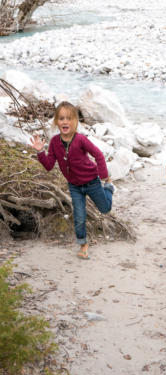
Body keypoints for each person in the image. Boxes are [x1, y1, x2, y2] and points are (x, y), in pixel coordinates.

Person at [30, 101, 115, 260]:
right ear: (56, 122)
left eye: (69, 118)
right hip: (75, 186)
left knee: (105, 209)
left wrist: (104, 176)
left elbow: (98, 155)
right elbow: (49, 165)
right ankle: (83, 244)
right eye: (61, 118)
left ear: (75, 122)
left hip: (92, 182)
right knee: (79, 216)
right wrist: (41, 151)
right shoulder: (55, 142)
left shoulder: (81, 139)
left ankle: (109, 188)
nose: (65, 121)